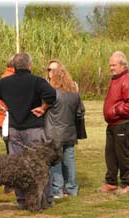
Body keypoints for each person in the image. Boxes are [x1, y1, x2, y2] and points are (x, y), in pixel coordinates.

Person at [0, 52, 56, 209]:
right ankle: (45, 200)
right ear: (29, 66)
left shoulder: (4, 82)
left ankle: (22, 201)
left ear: (13, 67)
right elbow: (51, 95)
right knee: (40, 167)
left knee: (16, 170)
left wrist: (1, 107)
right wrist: (43, 108)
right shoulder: (37, 81)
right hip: (34, 128)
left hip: (14, 130)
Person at [40, 59, 85, 199]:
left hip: (53, 133)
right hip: (70, 132)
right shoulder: (74, 92)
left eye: (50, 70)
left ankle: (57, 190)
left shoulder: (50, 93)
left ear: (55, 73)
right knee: (69, 161)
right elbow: (80, 112)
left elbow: (42, 110)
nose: (48, 73)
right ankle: (72, 189)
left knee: (55, 162)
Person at [98, 51, 129, 194]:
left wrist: (115, 110)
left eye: (114, 65)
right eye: (110, 65)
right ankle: (111, 182)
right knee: (110, 153)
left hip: (123, 122)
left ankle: (127, 184)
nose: (111, 68)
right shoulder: (115, 79)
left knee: (123, 153)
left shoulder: (128, 80)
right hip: (113, 123)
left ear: (123, 65)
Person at [0, 56, 15, 154]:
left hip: (2, 120)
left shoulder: (4, 77)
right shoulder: (12, 79)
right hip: (8, 121)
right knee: (13, 154)